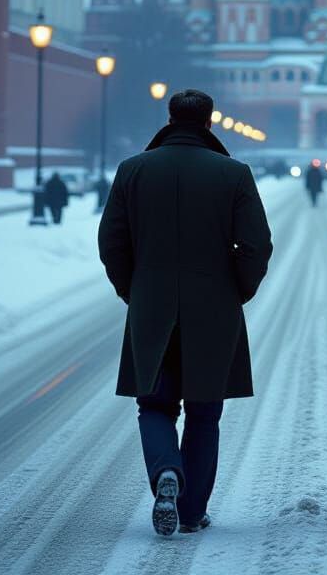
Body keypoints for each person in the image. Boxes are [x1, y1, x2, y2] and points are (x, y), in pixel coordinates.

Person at [99, 88, 273, 538]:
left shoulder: (133, 170)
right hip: (214, 309)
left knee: (154, 404)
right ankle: (192, 510)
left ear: (170, 117)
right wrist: (235, 291)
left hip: (151, 306)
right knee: (203, 412)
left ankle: (165, 474)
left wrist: (133, 291)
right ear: (211, 122)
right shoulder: (233, 173)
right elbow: (256, 245)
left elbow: (112, 242)